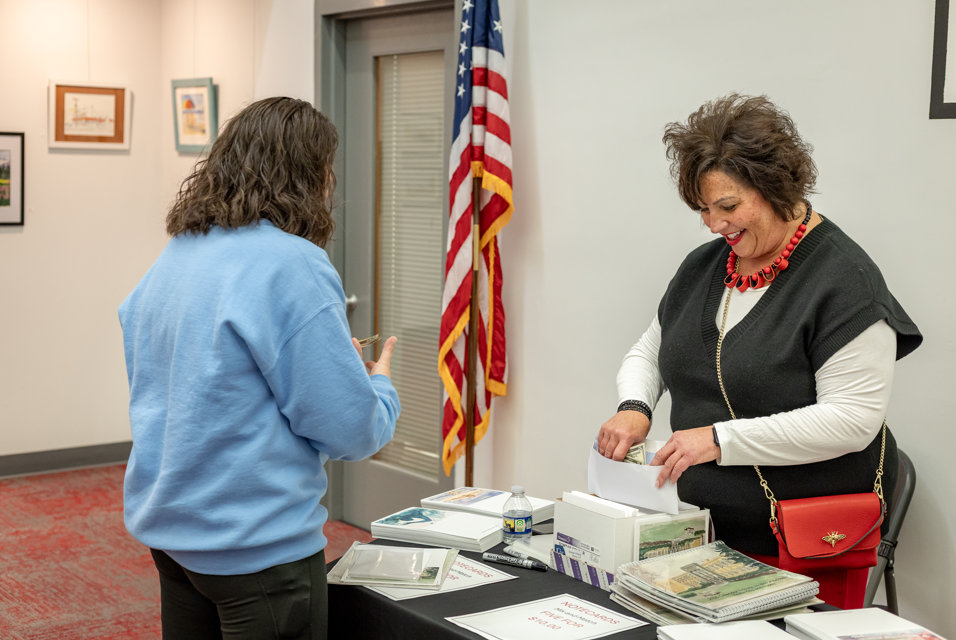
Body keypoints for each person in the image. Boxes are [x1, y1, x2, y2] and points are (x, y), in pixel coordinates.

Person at [598, 94, 922, 609]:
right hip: (699, 534)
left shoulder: (845, 281)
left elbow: (852, 420)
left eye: (728, 206)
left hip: (801, 546)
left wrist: (719, 440)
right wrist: (634, 406)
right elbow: (652, 346)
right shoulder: (705, 266)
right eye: (704, 209)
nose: (713, 224)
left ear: (776, 187)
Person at [118, 97, 400, 639]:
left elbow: (199, 384)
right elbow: (350, 430)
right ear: (308, 175)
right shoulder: (293, 263)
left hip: (176, 538)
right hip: (259, 554)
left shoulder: (178, 252)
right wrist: (378, 386)